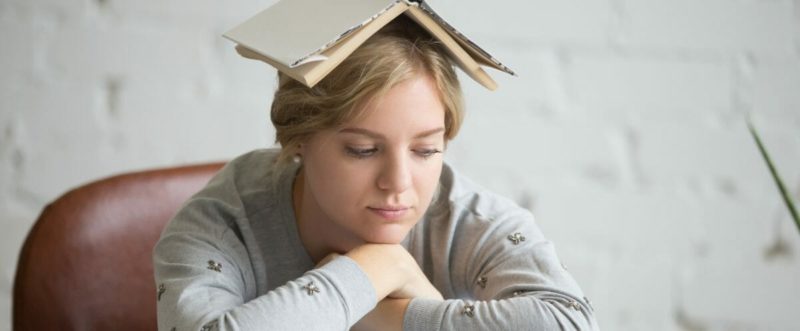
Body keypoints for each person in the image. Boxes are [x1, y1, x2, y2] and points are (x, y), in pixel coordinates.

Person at [153, 16, 599, 331]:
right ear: (299, 141)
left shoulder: (469, 219)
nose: (399, 183)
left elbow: (571, 322)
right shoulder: (222, 224)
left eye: (426, 149)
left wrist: (383, 315)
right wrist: (372, 270)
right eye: (363, 150)